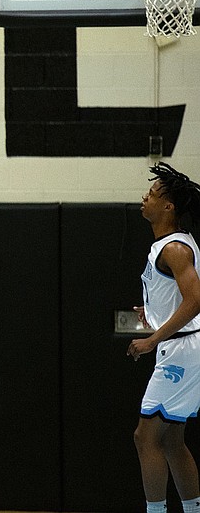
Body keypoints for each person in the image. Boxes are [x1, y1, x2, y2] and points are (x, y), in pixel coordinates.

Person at [127, 162, 200, 513]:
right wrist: (154, 314)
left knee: (145, 437)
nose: (145, 197)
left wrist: (153, 338)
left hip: (182, 349)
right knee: (172, 440)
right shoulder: (170, 245)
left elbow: (196, 301)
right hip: (184, 346)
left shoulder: (174, 248)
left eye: (152, 193)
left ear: (168, 206)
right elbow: (178, 298)